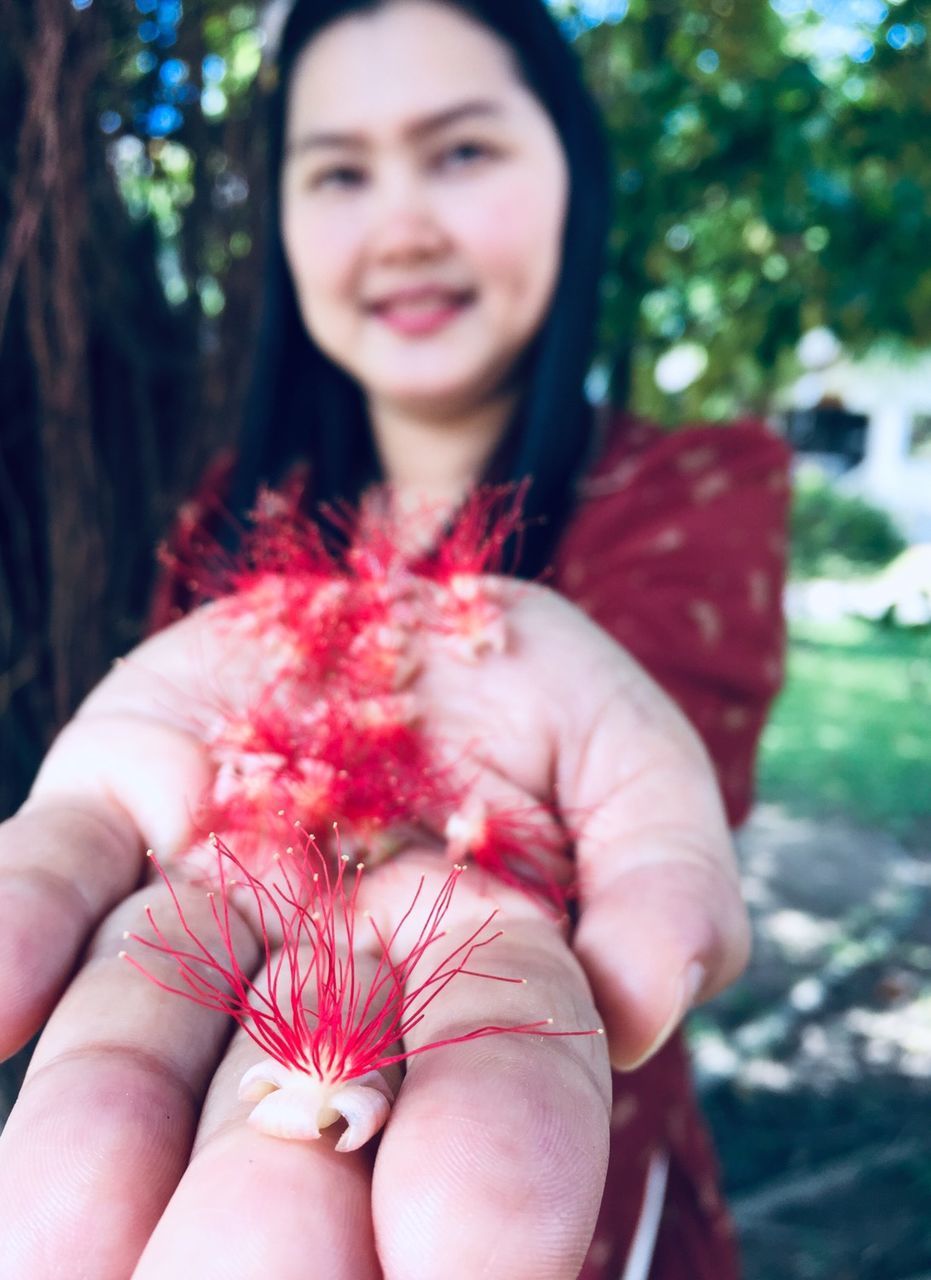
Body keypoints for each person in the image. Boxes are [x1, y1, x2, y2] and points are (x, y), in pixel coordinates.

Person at [0, 1, 790, 1276]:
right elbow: (199, 791)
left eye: (462, 150)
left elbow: (656, 803)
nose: (402, 223)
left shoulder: (700, 488)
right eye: (340, 171)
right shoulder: (233, 506)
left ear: (572, 179)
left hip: (590, 1194)